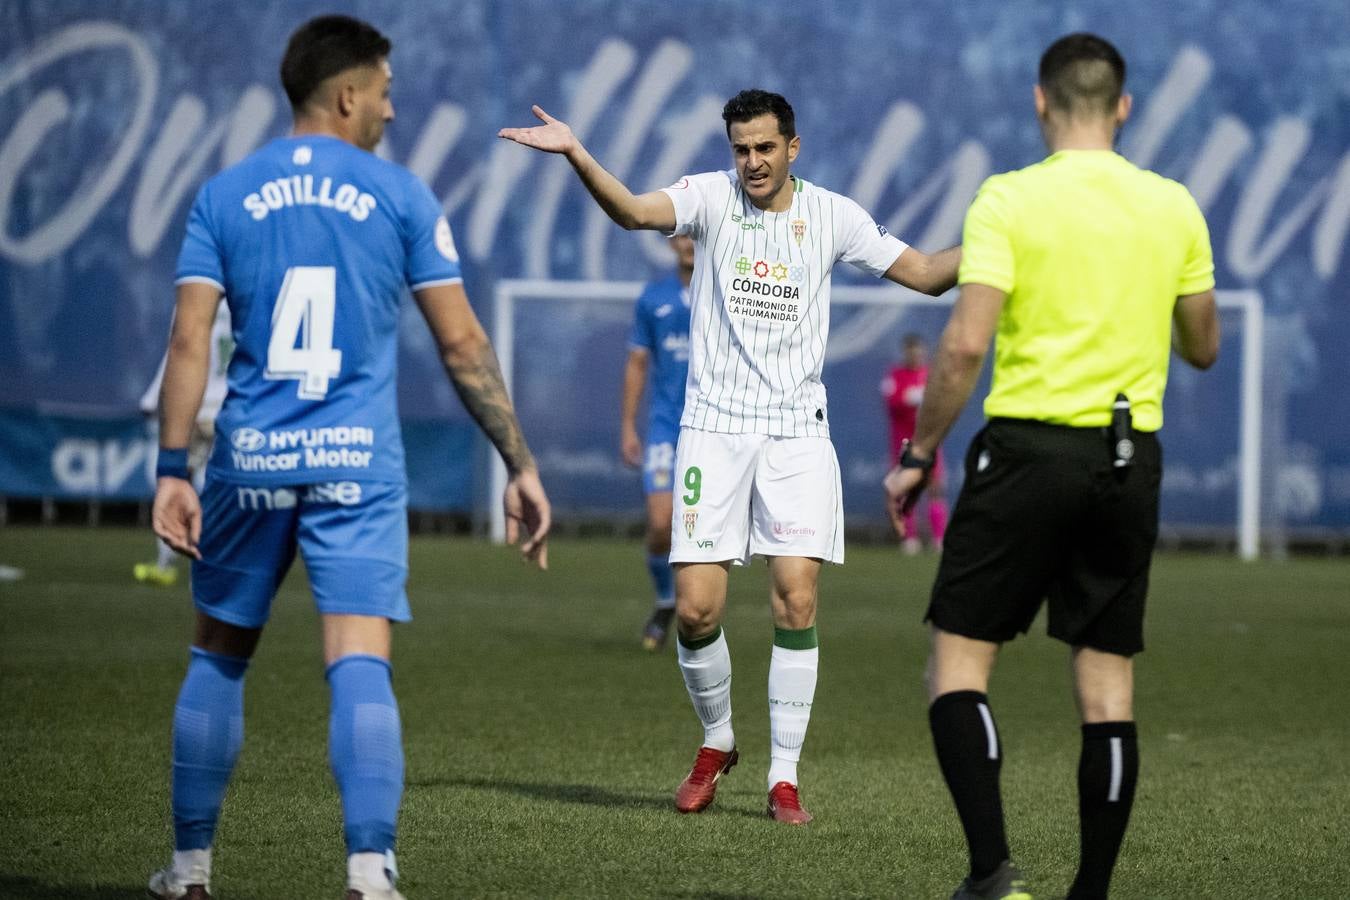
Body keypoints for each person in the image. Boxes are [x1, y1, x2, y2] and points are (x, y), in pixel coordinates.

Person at [146, 16, 550, 900]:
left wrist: (174, 468)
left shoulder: (224, 194)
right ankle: (370, 875)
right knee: (359, 659)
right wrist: (518, 462)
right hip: (355, 465)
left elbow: (187, 343)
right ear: (346, 95)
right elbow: (465, 345)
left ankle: (188, 872)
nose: (394, 111)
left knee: (217, 654)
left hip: (247, 461)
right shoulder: (400, 196)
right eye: (386, 91)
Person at [500, 89, 958, 824]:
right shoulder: (710, 199)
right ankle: (718, 743)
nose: (752, 161)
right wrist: (579, 154)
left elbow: (932, 274)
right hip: (711, 430)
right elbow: (631, 211)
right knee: (694, 611)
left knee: (796, 598)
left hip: (797, 434)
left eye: (765, 147)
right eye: (741, 148)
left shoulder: (832, 216)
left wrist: (1009, 241)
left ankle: (784, 777)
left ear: (793, 147)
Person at [884, 33, 1218, 900]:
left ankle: (993, 873)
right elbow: (1204, 346)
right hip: (1125, 458)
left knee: (959, 666)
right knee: (1107, 688)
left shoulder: (1008, 200)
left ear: (1040, 100)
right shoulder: (1174, 205)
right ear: (1125, 107)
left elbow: (962, 346)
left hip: (1029, 450)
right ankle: (1091, 894)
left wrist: (917, 456)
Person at [620, 234, 695, 651]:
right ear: (672, 243)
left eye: (696, 234)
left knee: (706, 535)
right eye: (682, 235)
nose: (689, 243)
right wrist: (629, 426)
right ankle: (667, 600)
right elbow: (637, 362)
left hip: (713, 428)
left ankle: (696, 614)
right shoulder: (654, 298)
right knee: (660, 525)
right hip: (667, 428)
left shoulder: (726, 293)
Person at [134, 303, 232, 587]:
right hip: (232, 407)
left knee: (176, 484)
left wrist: (152, 397)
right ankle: (216, 565)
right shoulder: (248, 293)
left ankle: (166, 563)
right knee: (224, 489)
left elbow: (181, 349)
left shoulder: (197, 295)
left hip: (196, 406)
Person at [879, 333, 948, 554]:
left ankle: (939, 538)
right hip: (904, 443)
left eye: (919, 352)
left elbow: (943, 402)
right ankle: (910, 539)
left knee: (935, 488)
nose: (916, 356)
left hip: (928, 441)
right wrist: (909, 397)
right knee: (906, 490)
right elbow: (891, 401)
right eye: (912, 352)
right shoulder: (895, 376)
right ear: (906, 353)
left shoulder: (930, 375)